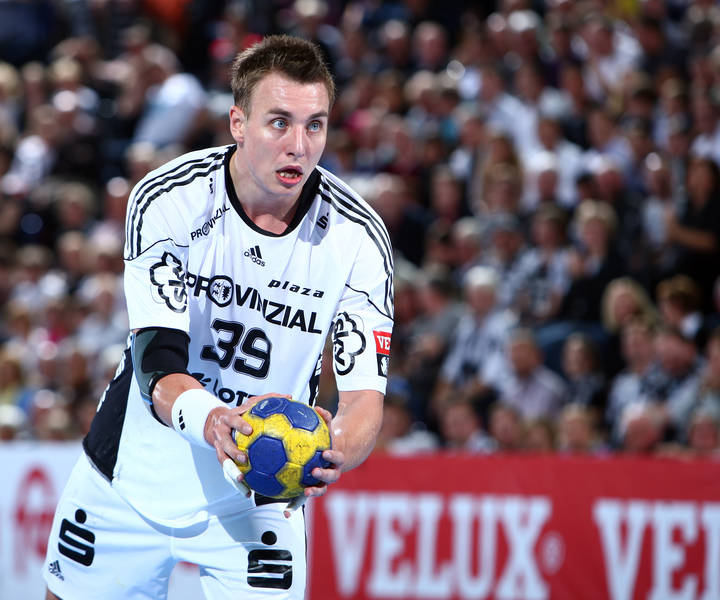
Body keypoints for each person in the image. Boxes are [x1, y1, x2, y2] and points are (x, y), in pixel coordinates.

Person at [43, 35, 394, 600]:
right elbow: (157, 364)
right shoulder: (169, 200)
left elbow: (362, 400)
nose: (299, 146)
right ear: (238, 123)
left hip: (262, 491)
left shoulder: (358, 239)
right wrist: (214, 422)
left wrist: (335, 449)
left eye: (315, 125)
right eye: (279, 123)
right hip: (131, 477)